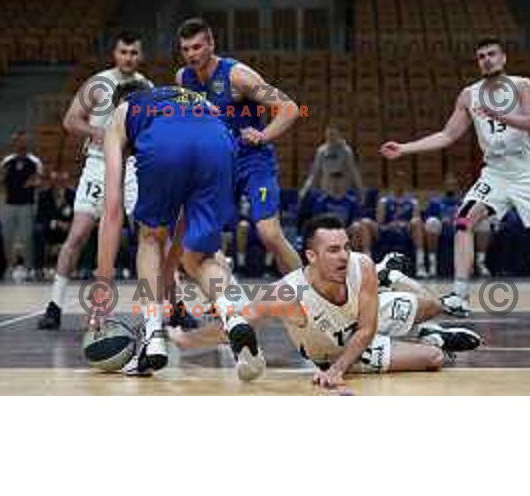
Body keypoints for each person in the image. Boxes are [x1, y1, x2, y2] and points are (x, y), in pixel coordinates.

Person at [380, 37, 530, 319]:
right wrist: (405, 148)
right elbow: (447, 135)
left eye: (492, 54)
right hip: (495, 173)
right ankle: (459, 295)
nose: (487, 59)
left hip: (528, 173)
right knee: (463, 221)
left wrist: (499, 114)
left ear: (503, 58)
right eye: (481, 56)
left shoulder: (522, 85)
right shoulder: (469, 95)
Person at [170, 215, 481, 390]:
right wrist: (187, 340)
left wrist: (338, 371)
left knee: (427, 305)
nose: (344, 255)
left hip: (361, 325)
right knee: (434, 357)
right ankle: (430, 336)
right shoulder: (288, 295)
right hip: (335, 348)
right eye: (333, 250)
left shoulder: (361, 265)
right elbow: (234, 325)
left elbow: (367, 328)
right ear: (311, 256)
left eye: (346, 247)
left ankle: (404, 291)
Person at [94, 82, 265, 380]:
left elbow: (111, 211)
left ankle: (152, 335)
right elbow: (181, 236)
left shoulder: (122, 112)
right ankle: (232, 316)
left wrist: (103, 291)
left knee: (149, 237)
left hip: (166, 144)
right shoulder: (188, 96)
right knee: (199, 256)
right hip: (219, 141)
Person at [37, 32, 153, 330]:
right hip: (100, 164)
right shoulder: (99, 82)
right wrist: (103, 134)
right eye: (123, 51)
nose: (128, 57)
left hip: (131, 166)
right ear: (115, 54)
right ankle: (54, 305)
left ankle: (161, 312)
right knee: (77, 235)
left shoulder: (146, 87)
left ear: (141, 56)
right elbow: (70, 120)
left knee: (149, 237)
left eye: (134, 52)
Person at [176, 18, 301, 275]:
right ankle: (226, 299)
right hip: (216, 165)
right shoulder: (183, 78)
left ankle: (309, 296)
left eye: (197, 47)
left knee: (269, 233)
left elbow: (289, 108)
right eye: (186, 49)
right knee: (200, 239)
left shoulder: (237, 76)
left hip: (252, 161)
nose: (191, 54)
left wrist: (264, 136)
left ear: (211, 44)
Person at [423, 173, 492, 277]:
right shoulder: (435, 202)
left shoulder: (465, 201)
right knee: (432, 222)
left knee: (484, 223)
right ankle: (432, 264)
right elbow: (427, 219)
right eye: (448, 184)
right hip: (442, 230)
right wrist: (441, 221)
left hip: (462, 229)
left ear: (457, 186)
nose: (450, 186)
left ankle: (480, 262)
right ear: (444, 186)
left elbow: (473, 216)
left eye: (453, 184)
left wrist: (459, 221)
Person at [0, 130, 43, 278]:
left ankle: (29, 267)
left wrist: (33, 182)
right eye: (18, 141)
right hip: (9, 205)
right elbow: (1, 180)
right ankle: (9, 266)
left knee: (27, 237)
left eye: (23, 141)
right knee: (7, 237)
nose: (20, 143)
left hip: (26, 205)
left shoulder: (34, 162)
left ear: (27, 143)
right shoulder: (7, 161)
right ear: (14, 143)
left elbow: (39, 180)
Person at [376, 171, 425, 276]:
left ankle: (421, 265)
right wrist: (390, 225)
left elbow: (417, 220)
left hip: (406, 231)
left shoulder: (413, 201)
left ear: (406, 183)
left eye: (402, 180)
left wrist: (405, 224)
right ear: (392, 182)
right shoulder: (384, 201)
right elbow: (379, 225)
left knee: (417, 222)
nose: (399, 183)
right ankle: (370, 265)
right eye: (397, 180)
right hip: (388, 232)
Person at [300, 124, 364, 201]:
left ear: (338, 135)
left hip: (342, 187)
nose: (331, 138)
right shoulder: (321, 151)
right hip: (326, 187)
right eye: (329, 135)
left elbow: (354, 172)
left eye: (333, 135)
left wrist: (361, 191)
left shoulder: (346, 151)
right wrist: (305, 189)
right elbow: (314, 173)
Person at [34, 170, 75, 277]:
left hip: (69, 229)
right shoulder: (44, 195)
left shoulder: (73, 195)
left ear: (67, 182)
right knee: (38, 230)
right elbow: (41, 217)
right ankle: (39, 268)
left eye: (63, 181)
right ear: (52, 182)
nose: (59, 183)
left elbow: (78, 214)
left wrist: (70, 224)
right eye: (56, 181)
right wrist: (56, 223)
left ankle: (81, 268)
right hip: (49, 229)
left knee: (83, 231)